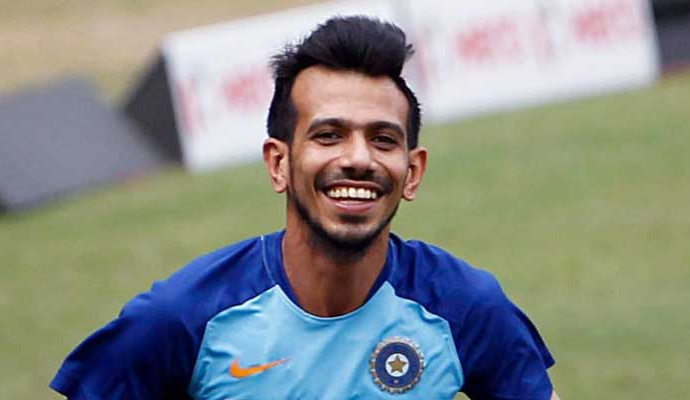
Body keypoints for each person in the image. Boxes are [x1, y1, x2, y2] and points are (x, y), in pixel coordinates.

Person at [51, 16, 559, 399]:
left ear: (413, 171)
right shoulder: (186, 317)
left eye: (383, 139)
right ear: (279, 163)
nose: (358, 159)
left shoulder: (464, 308)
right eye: (329, 135)